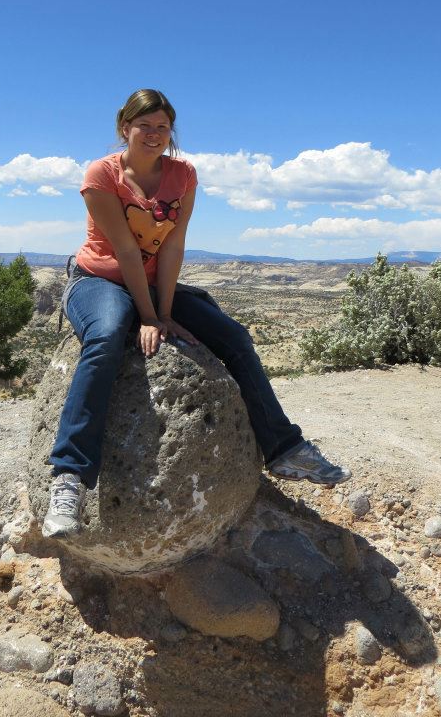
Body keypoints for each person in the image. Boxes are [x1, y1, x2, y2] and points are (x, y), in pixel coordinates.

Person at [43, 89, 351, 537]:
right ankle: (69, 476)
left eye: (162, 127)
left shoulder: (183, 174)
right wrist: (148, 319)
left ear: (172, 131)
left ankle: (285, 449)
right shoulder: (101, 174)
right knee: (108, 335)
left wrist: (164, 313)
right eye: (143, 126)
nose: (153, 135)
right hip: (98, 280)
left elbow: (172, 245)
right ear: (123, 128)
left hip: (151, 282)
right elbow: (127, 251)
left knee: (234, 336)